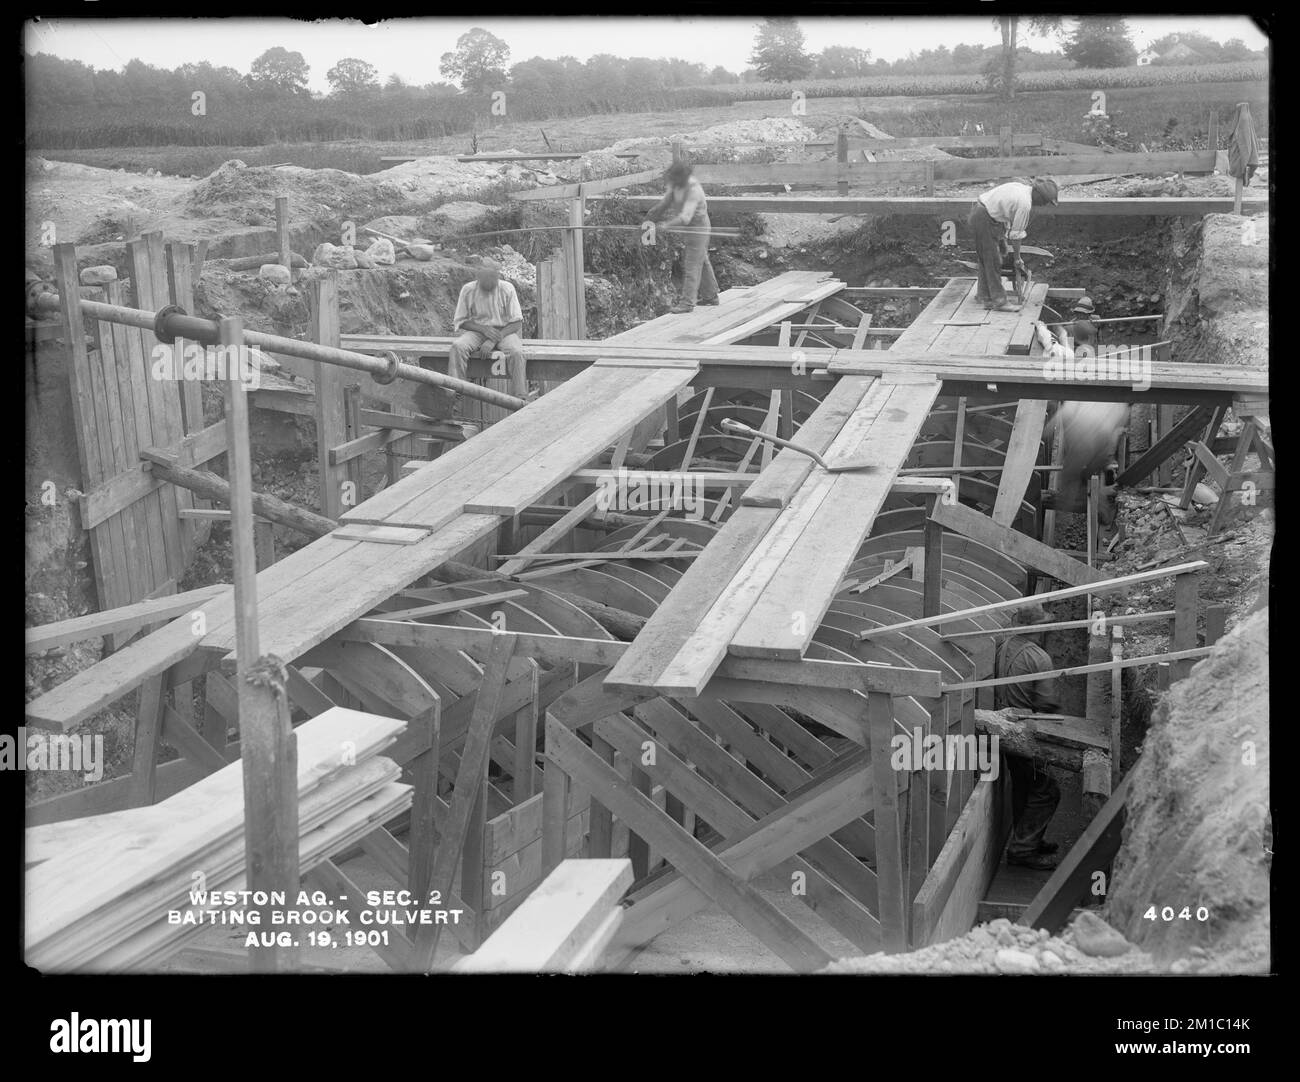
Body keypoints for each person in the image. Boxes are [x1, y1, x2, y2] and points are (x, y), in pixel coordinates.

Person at [994, 605, 1063, 870]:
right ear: (1037, 627)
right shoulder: (1039, 657)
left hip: (1003, 726)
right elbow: (1047, 703)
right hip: (1024, 732)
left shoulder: (1004, 646)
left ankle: (1030, 837)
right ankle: (1023, 849)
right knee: (1047, 791)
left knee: (1025, 786)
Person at [440, 260, 527, 417]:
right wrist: (484, 330)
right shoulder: (468, 290)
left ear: (497, 277)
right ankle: (453, 397)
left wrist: (493, 339)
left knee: (517, 353)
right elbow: (461, 321)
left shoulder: (507, 289)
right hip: (478, 331)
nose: (488, 286)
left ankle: (519, 401)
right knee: (457, 347)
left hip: (504, 331)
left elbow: (517, 322)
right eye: (485, 281)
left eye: (492, 281)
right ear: (478, 278)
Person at [967, 176, 1058, 312]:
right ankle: (999, 301)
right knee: (993, 260)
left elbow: (1004, 212)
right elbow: (1016, 235)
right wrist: (1017, 257)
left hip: (981, 213)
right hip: (984, 218)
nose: (1044, 205)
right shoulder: (1025, 204)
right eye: (1045, 201)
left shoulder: (1020, 187)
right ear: (1038, 194)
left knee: (986, 258)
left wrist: (1002, 238)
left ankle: (984, 295)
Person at [643, 161, 720, 314]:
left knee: (692, 264)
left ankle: (687, 303)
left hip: (698, 227)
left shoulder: (693, 189)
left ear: (681, 177)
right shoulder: (675, 185)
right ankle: (711, 296)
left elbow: (685, 217)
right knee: (701, 260)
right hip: (689, 227)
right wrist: (652, 215)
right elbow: (665, 202)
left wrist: (666, 225)